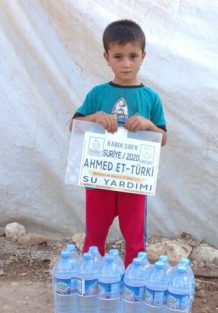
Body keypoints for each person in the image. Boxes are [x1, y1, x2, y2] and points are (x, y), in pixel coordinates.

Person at [70, 19, 167, 267]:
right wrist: (94, 117)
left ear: (143, 56)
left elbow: (163, 138)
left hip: (133, 183)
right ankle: (93, 282)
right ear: (106, 57)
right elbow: (74, 125)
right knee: (95, 235)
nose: (126, 63)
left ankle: (132, 287)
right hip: (99, 180)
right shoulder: (97, 94)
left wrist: (148, 126)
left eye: (133, 56)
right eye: (118, 56)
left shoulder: (151, 98)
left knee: (134, 239)